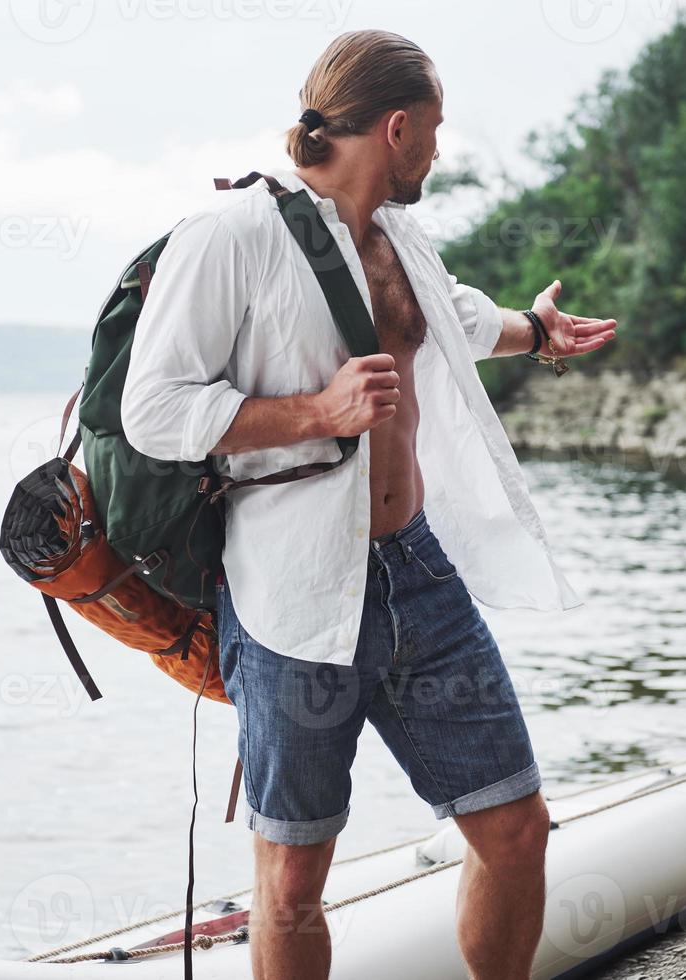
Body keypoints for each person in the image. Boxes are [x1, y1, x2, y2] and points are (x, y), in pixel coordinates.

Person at [120, 30, 617, 980]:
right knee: (292, 885)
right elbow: (154, 409)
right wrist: (318, 410)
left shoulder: (401, 237)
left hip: (417, 574)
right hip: (291, 597)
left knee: (515, 829)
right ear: (397, 127)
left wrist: (538, 334)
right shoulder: (230, 236)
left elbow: (458, 317)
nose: (438, 147)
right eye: (433, 129)